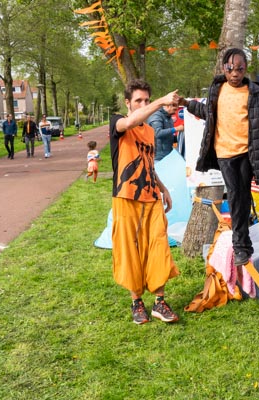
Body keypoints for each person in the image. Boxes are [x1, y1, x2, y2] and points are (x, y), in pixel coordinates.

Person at [179, 47, 259, 267]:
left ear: (245, 69)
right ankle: (241, 245)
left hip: (246, 152)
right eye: (230, 69)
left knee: (243, 197)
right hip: (224, 153)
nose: (235, 73)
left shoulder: (255, 94)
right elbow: (206, 112)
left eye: (240, 69)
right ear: (224, 68)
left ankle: (243, 246)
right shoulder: (217, 89)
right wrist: (186, 104)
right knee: (235, 195)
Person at [110, 79, 180, 325]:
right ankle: (136, 302)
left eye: (147, 101)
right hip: (126, 197)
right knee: (130, 250)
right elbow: (129, 122)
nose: (143, 104)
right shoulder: (119, 122)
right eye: (138, 100)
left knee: (159, 247)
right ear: (128, 103)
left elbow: (147, 165)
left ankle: (159, 302)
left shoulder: (150, 132)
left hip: (151, 198)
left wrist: (163, 189)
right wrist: (162, 101)